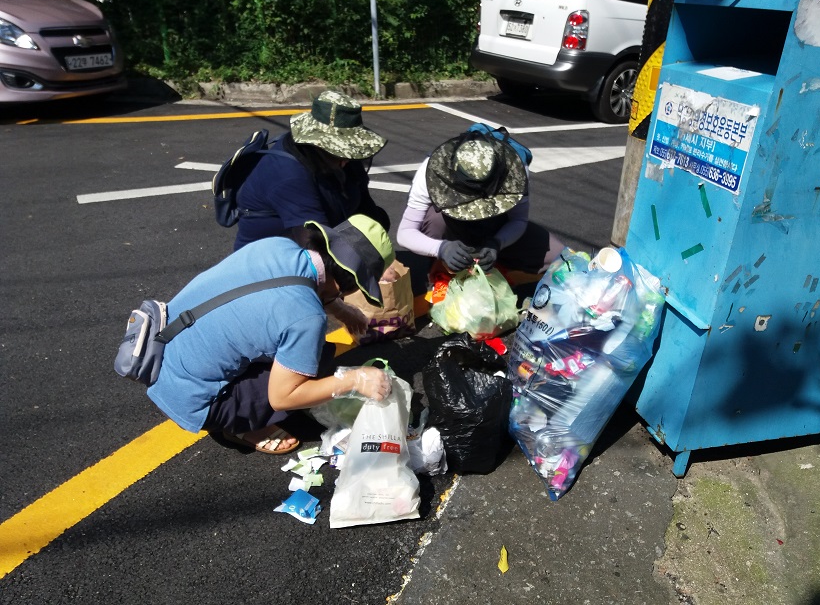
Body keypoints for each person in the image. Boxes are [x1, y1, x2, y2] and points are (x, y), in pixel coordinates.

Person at [146, 215, 396, 455]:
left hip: (157, 356)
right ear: (352, 284)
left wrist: (338, 307)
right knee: (317, 358)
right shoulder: (307, 317)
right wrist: (355, 380)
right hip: (190, 400)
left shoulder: (276, 245)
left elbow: (283, 291)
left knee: (302, 350)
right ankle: (241, 427)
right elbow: (282, 397)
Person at [396, 124, 565, 278]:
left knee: (561, 258)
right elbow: (405, 232)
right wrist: (441, 249)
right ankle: (442, 267)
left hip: (495, 225)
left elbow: (519, 220)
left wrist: (497, 243)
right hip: (452, 227)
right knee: (434, 219)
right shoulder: (431, 172)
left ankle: (495, 264)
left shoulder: (516, 171)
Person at [232, 90, 390, 252]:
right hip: (273, 255)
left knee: (379, 224)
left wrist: (378, 252)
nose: (346, 159)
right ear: (316, 143)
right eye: (339, 152)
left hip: (324, 229)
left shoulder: (336, 159)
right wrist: (369, 260)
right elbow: (316, 244)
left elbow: (367, 209)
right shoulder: (288, 174)